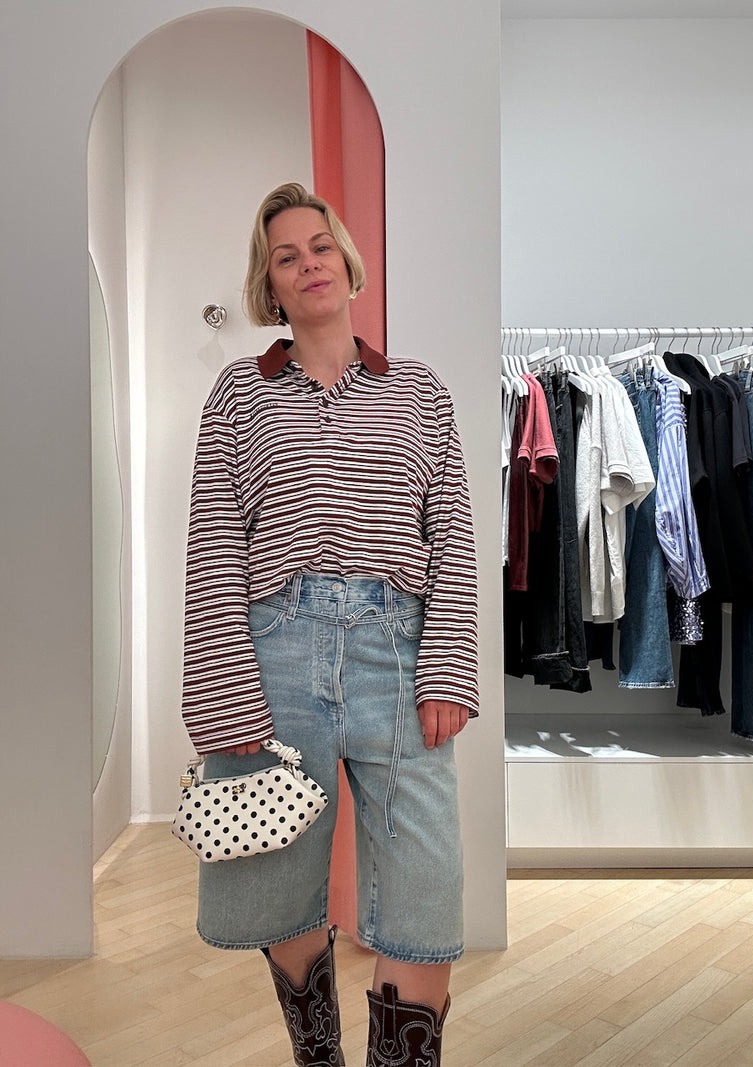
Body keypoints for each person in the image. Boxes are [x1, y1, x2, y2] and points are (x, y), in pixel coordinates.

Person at [181, 182, 479, 1066]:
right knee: (278, 883)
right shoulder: (238, 396)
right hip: (276, 654)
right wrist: (225, 698)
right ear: (270, 285)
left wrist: (448, 668)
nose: (308, 263)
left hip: (399, 651)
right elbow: (214, 548)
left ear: (347, 264)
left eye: (320, 247)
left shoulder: (420, 391)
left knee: (427, 903)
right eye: (286, 256)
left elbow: (453, 535)